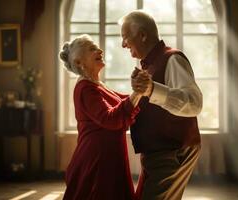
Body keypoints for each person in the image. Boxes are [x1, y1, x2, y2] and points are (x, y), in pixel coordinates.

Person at [120, 10, 203, 200]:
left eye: (125, 37)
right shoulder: (149, 64)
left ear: (142, 35)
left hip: (172, 151)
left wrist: (151, 90)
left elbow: (194, 103)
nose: (123, 44)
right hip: (159, 152)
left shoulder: (172, 59)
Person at [59, 34, 151, 200]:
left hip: (107, 156)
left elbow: (122, 101)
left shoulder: (95, 85)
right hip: (97, 160)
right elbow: (111, 118)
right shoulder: (85, 88)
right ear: (80, 62)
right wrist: (138, 91)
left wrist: (141, 87)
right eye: (92, 48)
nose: (100, 50)